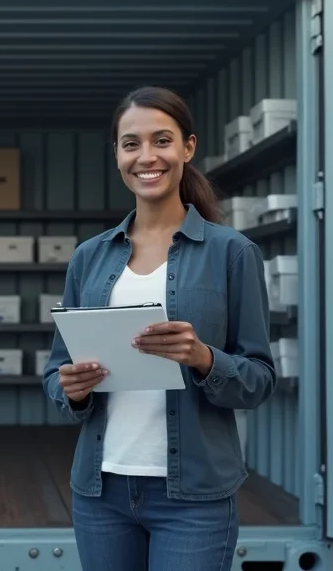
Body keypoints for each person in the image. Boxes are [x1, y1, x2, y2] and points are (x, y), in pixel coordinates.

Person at [41, 86, 277, 571]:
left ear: (187, 149)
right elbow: (54, 373)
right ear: (117, 155)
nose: (146, 157)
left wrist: (203, 358)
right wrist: (75, 389)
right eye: (131, 144)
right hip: (100, 492)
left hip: (194, 499)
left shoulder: (231, 253)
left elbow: (259, 381)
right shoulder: (89, 258)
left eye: (161, 140)